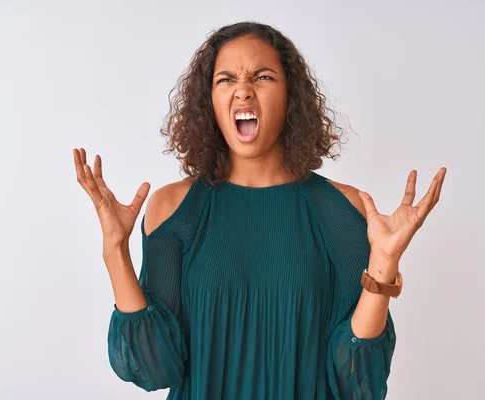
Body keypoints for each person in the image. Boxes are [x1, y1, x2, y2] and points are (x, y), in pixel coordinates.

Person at [73, 21, 446, 400]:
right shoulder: (174, 210)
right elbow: (155, 368)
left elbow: (356, 381)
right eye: (226, 79)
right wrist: (115, 250)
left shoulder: (341, 210)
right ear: (210, 101)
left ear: (290, 96)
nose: (243, 91)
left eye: (262, 77)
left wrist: (384, 261)